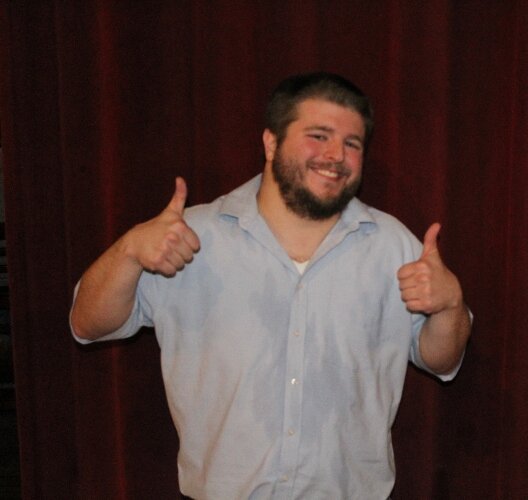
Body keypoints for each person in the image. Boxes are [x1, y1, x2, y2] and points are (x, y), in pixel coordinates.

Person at [70, 72, 471, 499]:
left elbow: (441, 361)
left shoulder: (395, 246)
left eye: (352, 144)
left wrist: (449, 306)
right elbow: (87, 324)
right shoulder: (188, 237)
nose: (336, 154)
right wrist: (130, 250)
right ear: (271, 143)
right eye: (319, 135)